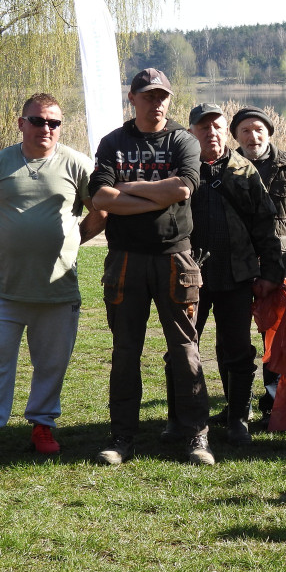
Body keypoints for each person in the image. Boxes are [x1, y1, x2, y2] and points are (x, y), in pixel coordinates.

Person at [0, 93, 106, 458]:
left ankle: (42, 426)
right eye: (38, 121)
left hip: (58, 290)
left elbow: (100, 211)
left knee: (51, 364)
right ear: (21, 123)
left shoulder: (78, 164)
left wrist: (73, 239)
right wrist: (6, 236)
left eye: (54, 122)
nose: (46, 128)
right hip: (4, 288)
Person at [88, 69, 210, 466]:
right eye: (148, 96)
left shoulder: (182, 140)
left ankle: (196, 437)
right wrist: (155, 196)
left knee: (185, 349)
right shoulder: (114, 142)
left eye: (162, 97)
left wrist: (128, 190)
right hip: (124, 259)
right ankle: (122, 438)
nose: (156, 103)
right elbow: (100, 196)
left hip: (175, 258)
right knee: (125, 350)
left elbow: (182, 188)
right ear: (132, 99)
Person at [178, 103, 283, 446]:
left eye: (217, 127)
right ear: (192, 132)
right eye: (203, 128)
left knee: (238, 349)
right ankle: (182, 418)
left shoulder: (245, 171)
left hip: (237, 276)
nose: (211, 133)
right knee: (182, 348)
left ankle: (237, 417)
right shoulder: (182, 171)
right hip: (189, 276)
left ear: (227, 131)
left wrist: (270, 271)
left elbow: (265, 227)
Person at [229, 106, 286, 417]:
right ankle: (237, 406)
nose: (253, 136)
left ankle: (276, 400)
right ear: (236, 137)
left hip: (285, 263)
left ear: (269, 132)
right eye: (245, 130)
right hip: (242, 266)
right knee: (238, 337)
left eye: (258, 129)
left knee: (279, 336)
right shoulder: (227, 168)